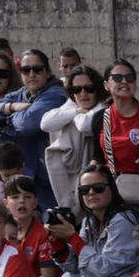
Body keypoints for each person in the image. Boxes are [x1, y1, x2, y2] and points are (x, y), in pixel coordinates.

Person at [0, 49, 65, 207]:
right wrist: (12, 107)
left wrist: (4, 119)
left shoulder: (56, 94)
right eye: (25, 70)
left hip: (49, 182)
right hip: (25, 177)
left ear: (48, 71)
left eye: (37, 70)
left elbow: (28, 124)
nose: (31, 74)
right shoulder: (19, 95)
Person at [91, 56, 139, 212]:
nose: (124, 81)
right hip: (111, 193)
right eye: (118, 78)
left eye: (130, 78)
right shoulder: (100, 118)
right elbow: (97, 156)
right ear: (106, 84)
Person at [42, 64, 109, 212]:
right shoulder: (72, 106)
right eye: (77, 89)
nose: (83, 94)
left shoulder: (104, 107)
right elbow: (45, 123)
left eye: (89, 89)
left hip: (99, 174)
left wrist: (81, 114)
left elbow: (85, 126)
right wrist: (77, 110)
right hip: (70, 173)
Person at [4, 175, 60, 277]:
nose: (21, 201)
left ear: (35, 202)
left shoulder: (43, 235)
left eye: (27, 196)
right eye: (15, 197)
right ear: (6, 203)